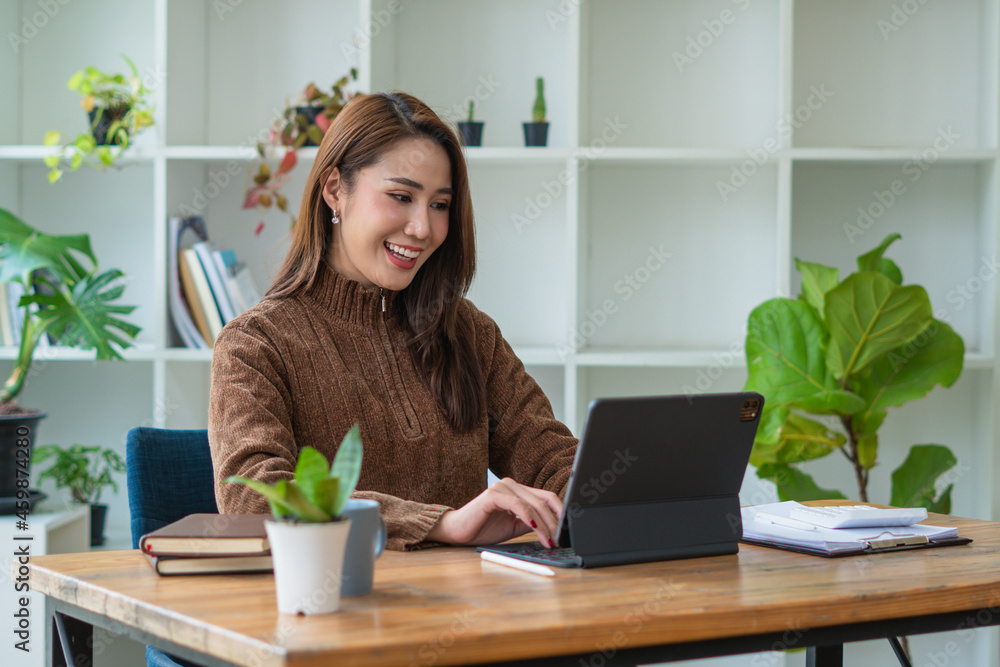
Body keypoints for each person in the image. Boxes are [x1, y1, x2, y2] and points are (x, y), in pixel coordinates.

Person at [209, 91, 578, 551]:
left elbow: (548, 455)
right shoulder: (255, 345)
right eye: (401, 196)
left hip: (471, 612)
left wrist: (607, 491)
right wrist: (438, 523)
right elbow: (252, 501)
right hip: (335, 612)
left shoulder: (470, 333)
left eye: (440, 205)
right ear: (333, 190)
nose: (423, 228)